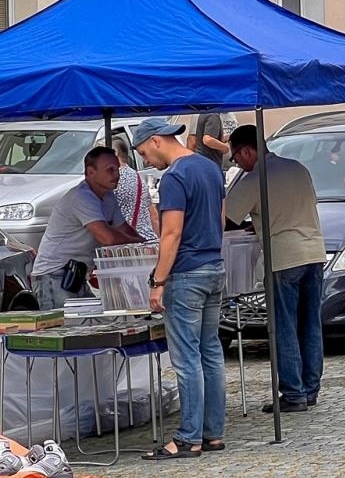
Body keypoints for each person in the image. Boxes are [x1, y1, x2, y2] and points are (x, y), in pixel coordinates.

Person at [133, 118, 227, 460]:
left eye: (144, 153)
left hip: (186, 273)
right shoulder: (210, 168)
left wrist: (158, 281)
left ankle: (188, 438)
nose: (146, 160)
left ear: (156, 140)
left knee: (187, 358)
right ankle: (213, 433)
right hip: (214, 266)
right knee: (211, 352)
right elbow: (220, 220)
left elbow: (171, 233)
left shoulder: (175, 176)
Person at [226, 125, 328, 414]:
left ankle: (293, 393)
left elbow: (226, 219)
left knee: (284, 326)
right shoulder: (297, 168)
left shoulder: (254, 179)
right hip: (313, 252)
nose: (237, 163)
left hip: (284, 258)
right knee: (310, 324)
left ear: (247, 151)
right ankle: (310, 389)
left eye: (236, 157)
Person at [28, 146, 143, 310]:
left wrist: (145, 243)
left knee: (88, 320)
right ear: (90, 172)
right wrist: (138, 243)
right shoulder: (82, 197)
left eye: (117, 169)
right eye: (110, 170)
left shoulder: (108, 196)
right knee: (66, 323)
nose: (116, 175)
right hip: (54, 275)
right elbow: (108, 238)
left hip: (76, 273)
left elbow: (125, 230)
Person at [112, 138, 158, 243]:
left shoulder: (114, 180)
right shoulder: (136, 176)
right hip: (148, 239)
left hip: (129, 243)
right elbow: (153, 215)